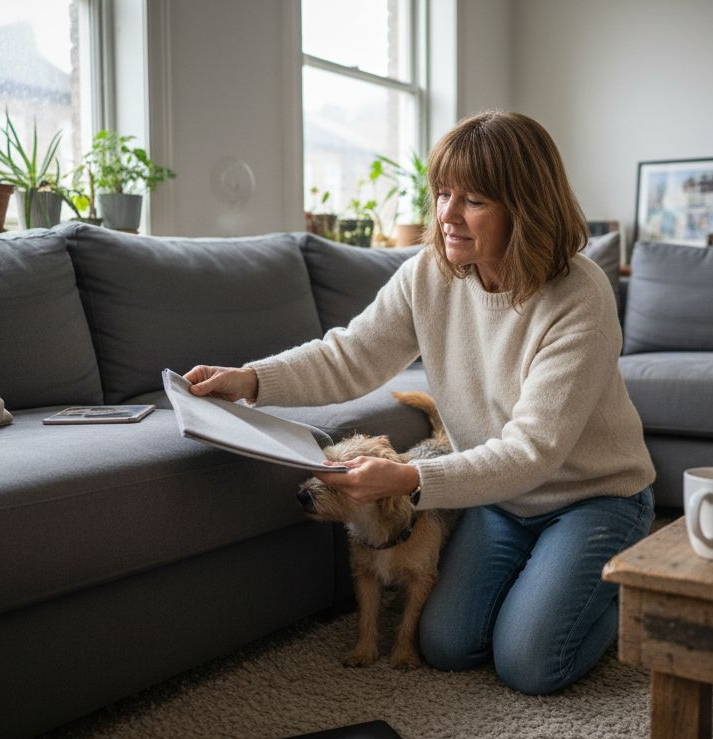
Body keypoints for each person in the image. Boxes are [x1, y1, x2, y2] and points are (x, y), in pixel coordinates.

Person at [184, 111, 656, 695]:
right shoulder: (429, 274)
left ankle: (631, 586)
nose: (447, 216)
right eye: (442, 194)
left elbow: (532, 452)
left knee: (531, 664)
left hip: (592, 497)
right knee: (446, 646)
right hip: (498, 499)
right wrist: (250, 380)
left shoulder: (580, 296)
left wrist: (409, 478)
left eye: (474, 200)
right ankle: (550, 583)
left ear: (526, 207)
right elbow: (350, 355)